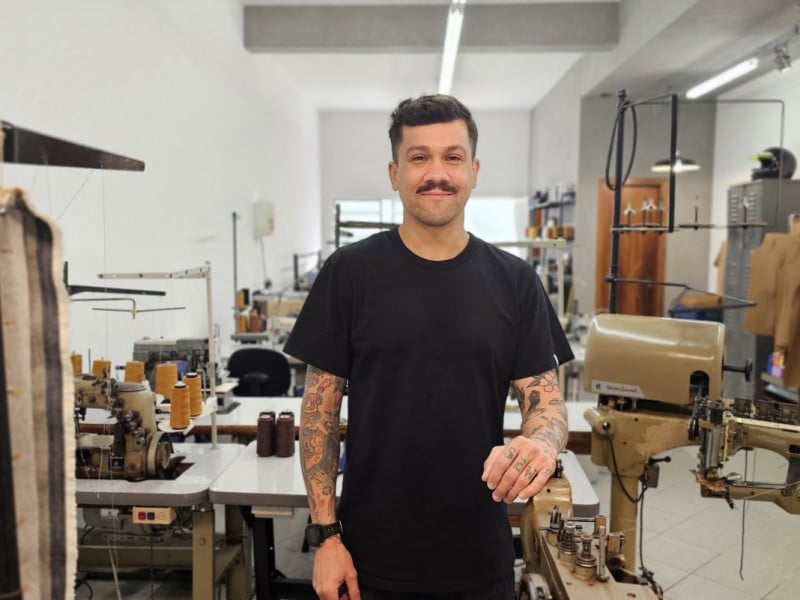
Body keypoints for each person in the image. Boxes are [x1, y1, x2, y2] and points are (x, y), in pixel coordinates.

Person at [284, 94, 572, 600]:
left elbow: (546, 405)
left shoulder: (516, 282)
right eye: (419, 158)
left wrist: (542, 444)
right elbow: (319, 418)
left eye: (452, 157)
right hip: (368, 556)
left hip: (478, 555)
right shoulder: (349, 274)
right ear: (395, 173)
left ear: (474, 170)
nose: (436, 172)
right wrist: (326, 537)